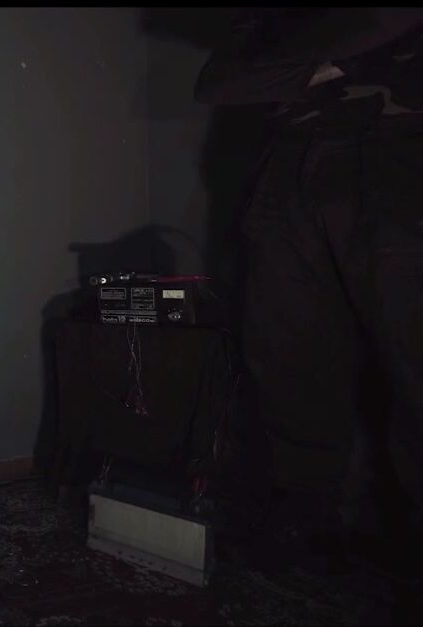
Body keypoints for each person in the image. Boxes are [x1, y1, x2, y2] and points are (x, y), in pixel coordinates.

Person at [195, 8, 423, 572]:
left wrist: (296, 60)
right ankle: (307, 519)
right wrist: (343, 56)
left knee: (411, 352)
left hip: (401, 149)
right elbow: (221, 82)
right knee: (286, 351)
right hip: (291, 157)